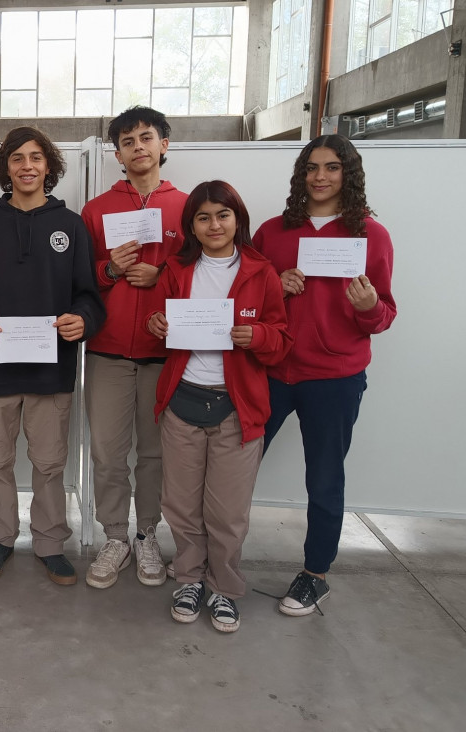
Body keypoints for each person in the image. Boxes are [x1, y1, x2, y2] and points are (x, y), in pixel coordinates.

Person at [253, 135, 396, 616]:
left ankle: (315, 574)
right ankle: (211, 554)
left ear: (347, 175)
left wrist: (369, 306)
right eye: (312, 167)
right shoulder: (272, 233)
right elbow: (245, 299)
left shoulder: (371, 236)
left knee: (325, 477)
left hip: (334, 378)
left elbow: (384, 312)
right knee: (234, 467)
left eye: (331, 168)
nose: (320, 176)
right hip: (271, 370)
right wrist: (275, 282)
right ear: (300, 174)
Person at [0, 126, 106, 586]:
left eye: (36, 157)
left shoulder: (71, 225)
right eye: (17, 158)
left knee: (49, 463)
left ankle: (49, 542)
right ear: (5, 167)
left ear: (50, 166)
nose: (27, 166)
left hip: (52, 370)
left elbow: (89, 294)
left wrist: (83, 319)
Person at [146, 181, 291, 633]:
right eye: (203, 217)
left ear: (237, 219)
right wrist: (157, 324)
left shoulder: (261, 272)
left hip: (235, 408)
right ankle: (189, 580)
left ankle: (224, 588)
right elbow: (161, 325)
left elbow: (281, 340)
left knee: (227, 512)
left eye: (223, 215)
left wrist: (260, 337)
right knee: (182, 506)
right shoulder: (177, 268)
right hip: (182, 402)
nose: (214, 224)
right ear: (192, 225)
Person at [80, 106, 188, 589]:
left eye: (147, 138)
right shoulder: (97, 210)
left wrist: (161, 277)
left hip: (165, 351)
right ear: (117, 152)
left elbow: (206, 277)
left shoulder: (188, 207)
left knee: (155, 453)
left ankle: (147, 534)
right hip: (106, 350)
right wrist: (110, 271)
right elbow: (77, 281)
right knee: (107, 452)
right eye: (128, 141)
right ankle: (115, 536)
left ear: (164, 144)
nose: (138, 147)